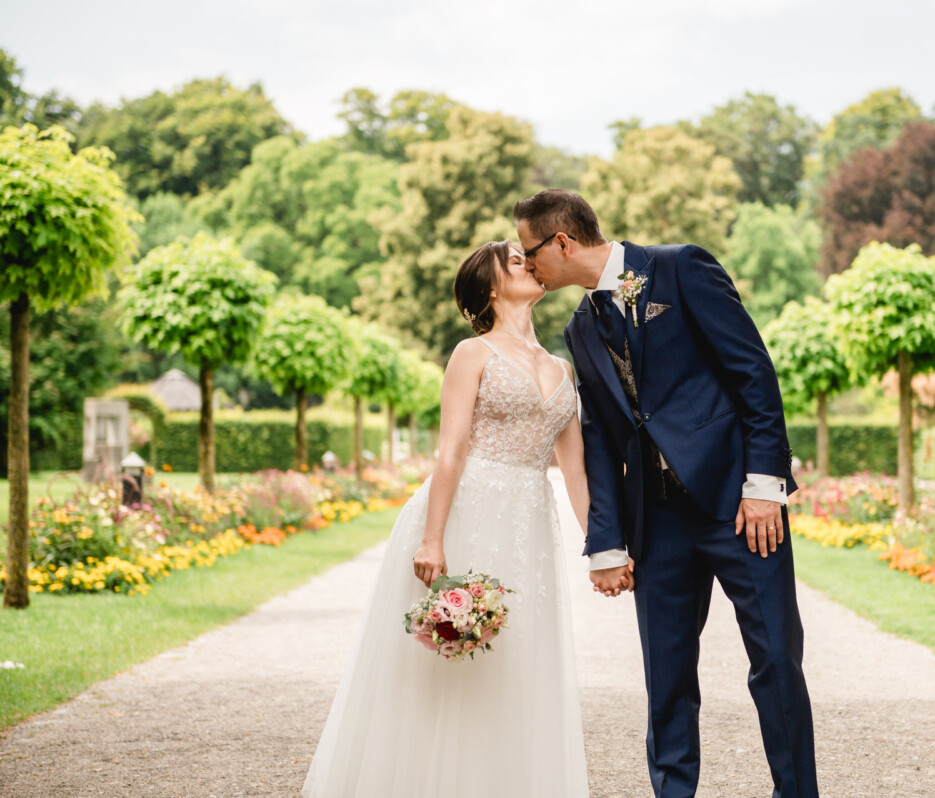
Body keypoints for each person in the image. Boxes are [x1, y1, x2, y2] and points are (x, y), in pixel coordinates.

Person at [514, 189, 820, 798]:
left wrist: (763, 486)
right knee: (667, 680)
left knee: (776, 664)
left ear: (563, 242)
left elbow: (753, 373)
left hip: (740, 507)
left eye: (529, 253)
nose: (526, 266)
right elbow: (599, 441)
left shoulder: (680, 268)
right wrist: (605, 541)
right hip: (657, 523)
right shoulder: (579, 330)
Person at [301, 241, 592, 797]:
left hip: (529, 522)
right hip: (468, 511)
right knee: (454, 663)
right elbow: (451, 452)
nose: (528, 262)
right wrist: (433, 539)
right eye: (514, 261)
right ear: (490, 288)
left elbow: (575, 471)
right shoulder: (472, 354)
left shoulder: (562, 366)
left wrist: (602, 548)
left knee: (519, 660)